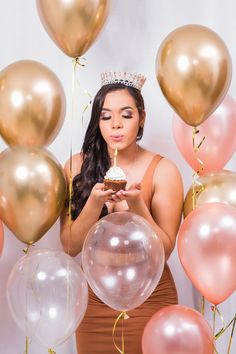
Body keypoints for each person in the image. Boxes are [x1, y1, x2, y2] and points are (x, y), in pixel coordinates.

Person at [60, 71, 183, 354]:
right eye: (106, 116)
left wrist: (138, 205)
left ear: (141, 117)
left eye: (126, 115)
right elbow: (69, 246)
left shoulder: (164, 171)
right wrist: (93, 203)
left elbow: (164, 250)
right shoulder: (76, 167)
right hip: (94, 300)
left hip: (150, 299)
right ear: (97, 121)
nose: (115, 124)